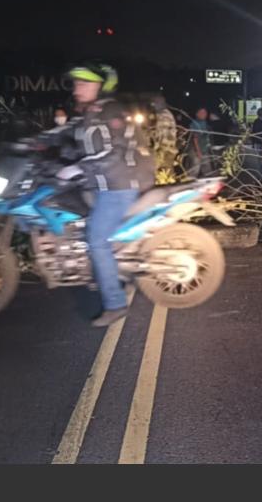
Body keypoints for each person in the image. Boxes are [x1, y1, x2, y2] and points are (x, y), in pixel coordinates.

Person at [65, 63, 155, 327]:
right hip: (103, 183)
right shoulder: (89, 113)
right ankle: (104, 270)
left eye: (84, 83)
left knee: (97, 240)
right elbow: (68, 137)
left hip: (120, 185)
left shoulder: (110, 110)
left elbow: (112, 152)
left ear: (101, 86)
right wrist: (33, 145)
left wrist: (77, 167)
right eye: (76, 83)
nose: (76, 88)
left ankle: (115, 304)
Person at [149, 95, 178, 179]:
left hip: (166, 150)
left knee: (167, 174)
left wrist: (160, 150)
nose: (154, 106)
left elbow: (164, 136)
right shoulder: (163, 114)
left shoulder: (164, 115)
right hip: (167, 149)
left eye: (155, 104)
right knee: (166, 173)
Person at [187, 106, 214, 177]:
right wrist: (198, 151)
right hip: (195, 150)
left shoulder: (205, 123)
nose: (204, 114)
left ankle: (209, 184)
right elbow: (194, 138)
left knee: (207, 170)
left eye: (205, 112)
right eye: (201, 112)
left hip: (204, 149)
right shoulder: (195, 124)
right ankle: (189, 184)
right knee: (194, 169)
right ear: (197, 114)